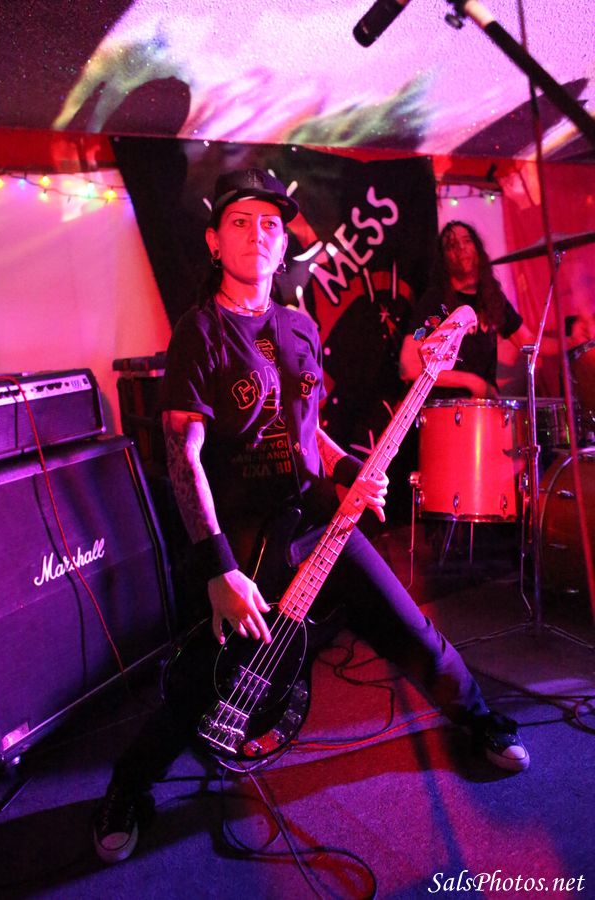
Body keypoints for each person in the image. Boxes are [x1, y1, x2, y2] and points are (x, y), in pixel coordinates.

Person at [93, 170, 530, 865]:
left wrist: (349, 469)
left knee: (408, 627)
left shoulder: (298, 326)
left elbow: (308, 430)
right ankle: (127, 788)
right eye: (240, 222)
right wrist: (219, 569)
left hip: (318, 520)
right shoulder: (198, 334)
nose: (257, 234)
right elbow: (183, 458)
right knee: (213, 675)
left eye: (269, 223)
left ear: (283, 243)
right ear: (213, 240)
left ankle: (478, 720)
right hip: (244, 539)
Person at [399, 221, 534, 397]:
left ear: (477, 248)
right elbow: (408, 367)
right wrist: (471, 382)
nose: (461, 248)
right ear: (444, 259)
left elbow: (529, 342)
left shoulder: (490, 297)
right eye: (452, 245)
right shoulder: (434, 302)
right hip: (444, 405)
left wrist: (568, 341)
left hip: (482, 407)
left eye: (467, 241)